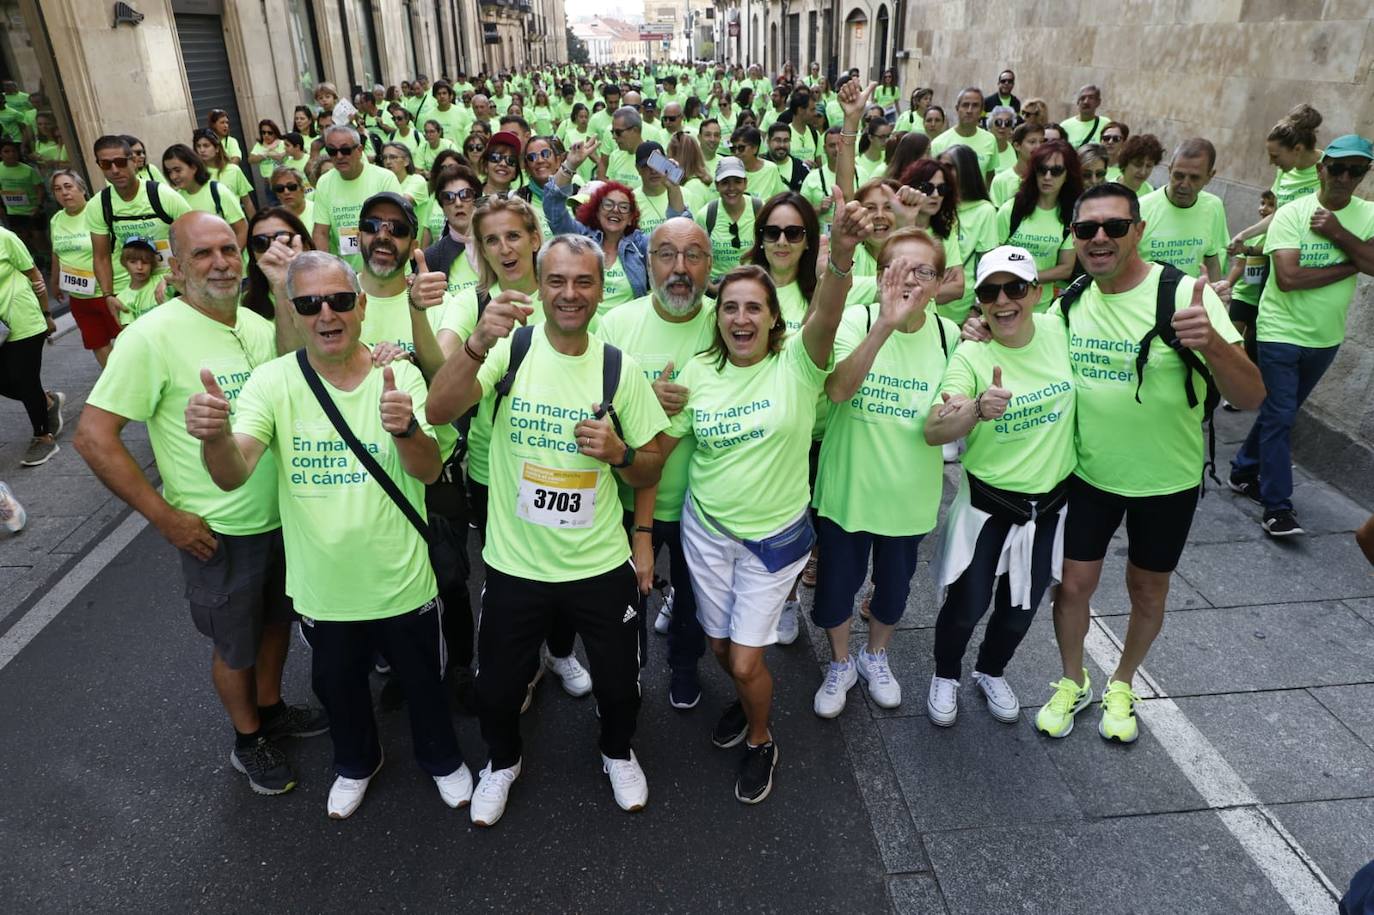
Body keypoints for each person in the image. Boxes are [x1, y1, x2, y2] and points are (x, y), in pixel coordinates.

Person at [188, 249, 471, 819]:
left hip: (403, 577)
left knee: (423, 682)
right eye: (310, 304)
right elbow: (232, 473)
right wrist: (214, 436)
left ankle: (441, 758)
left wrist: (407, 426)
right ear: (292, 311)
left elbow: (428, 470)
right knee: (338, 688)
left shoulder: (403, 373)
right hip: (324, 588)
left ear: (361, 305)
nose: (327, 314)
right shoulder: (272, 382)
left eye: (340, 300)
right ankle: (355, 762)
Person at [75, 211, 324, 796]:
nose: (220, 263)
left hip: (282, 518)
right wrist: (166, 518)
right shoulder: (151, 336)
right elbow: (93, 436)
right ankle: (247, 740)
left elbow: (296, 375)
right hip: (218, 530)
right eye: (203, 254)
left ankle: (273, 709)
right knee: (235, 643)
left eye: (228, 251)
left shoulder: (256, 325)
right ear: (176, 265)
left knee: (274, 626)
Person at [425, 234, 669, 825]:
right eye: (556, 280)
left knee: (620, 683)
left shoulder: (618, 367)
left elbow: (652, 461)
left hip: (597, 562)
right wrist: (478, 342)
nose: (569, 293)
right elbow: (436, 409)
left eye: (583, 281)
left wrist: (618, 453)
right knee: (498, 688)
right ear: (538, 284)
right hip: (516, 565)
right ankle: (502, 762)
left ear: (599, 289)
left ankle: (617, 751)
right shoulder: (510, 349)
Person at [1032, 184, 1263, 744]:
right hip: (1088, 475)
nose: (1100, 238)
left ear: (1138, 230)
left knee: (1146, 590)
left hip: (1167, 481)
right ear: (1075, 238)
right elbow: (1027, 352)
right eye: (1086, 229)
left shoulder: (1184, 293)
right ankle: (1072, 680)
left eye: (1114, 226)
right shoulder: (1072, 299)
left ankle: (1123, 682)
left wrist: (1213, 343)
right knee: (1072, 586)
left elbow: (1252, 394)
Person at [654, 189, 856, 801]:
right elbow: (656, 455)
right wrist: (618, 438)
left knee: (745, 660)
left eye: (754, 309)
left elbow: (828, 311)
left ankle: (762, 739)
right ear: (718, 317)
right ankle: (747, 702)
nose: (741, 319)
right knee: (720, 645)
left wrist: (842, 254)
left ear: (774, 318)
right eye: (730, 308)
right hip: (707, 533)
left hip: (774, 542)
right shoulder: (695, 374)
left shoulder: (799, 363)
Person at [811, 226, 958, 718]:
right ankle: (840, 661)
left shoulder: (949, 334)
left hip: (908, 496)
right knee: (836, 586)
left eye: (925, 271)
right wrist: (884, 326)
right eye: (901, 269)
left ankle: (876, 655)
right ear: (880, 276)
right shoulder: (857, 319)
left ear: (939, 285)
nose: (912, 280)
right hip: (848, 490)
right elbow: (837, 391)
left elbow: (950, 414)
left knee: (894, 589)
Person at [924, 246, 1073, 726]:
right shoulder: (971, 353)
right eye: (990, 291)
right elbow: (935, 429)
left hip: (1047, 507)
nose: (1002, 300)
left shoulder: (1059, 328)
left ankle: (990, 670)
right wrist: (974, 410)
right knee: (967, 605)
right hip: (988, 506)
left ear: (1035, 292)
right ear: (979, 301)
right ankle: (945, 674)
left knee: (1019, 610)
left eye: (1014, 288)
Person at [596, 218, 716, 709]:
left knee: (693, 602)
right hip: (625, 498)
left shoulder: (729, 322)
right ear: (648, 263)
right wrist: (642, 401)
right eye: (666, 254)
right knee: (626, 605)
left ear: (711, 265)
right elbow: (589, 411)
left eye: (693, 256)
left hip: (703, 505)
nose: (680, 268)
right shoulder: (616, 325)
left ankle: (685, 667)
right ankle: (631, 673)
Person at [1229, 135, 1374, 537]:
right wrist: (1352, 264)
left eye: (1356, 171)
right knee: (1281, 414)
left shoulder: (1369, 215)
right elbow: (1289, 278)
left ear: (1363, 175)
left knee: (1281, 411)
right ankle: (1277, 507)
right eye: (1339, 167)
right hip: (1279, 332)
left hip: (1325, 339)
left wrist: (1340, 235)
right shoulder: (1293, 213)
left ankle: (1243, 469)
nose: (1345, 177)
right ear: (1322, 168)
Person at [544, 139, 669, 315]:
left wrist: (673, 187)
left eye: (624, 207)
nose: (615, 211)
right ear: (596, 210)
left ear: (631, 217)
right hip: (583, 330)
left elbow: (673, 239)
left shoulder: (639, 245)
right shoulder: (582, 238)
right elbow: (553, 209)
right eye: (608, 204)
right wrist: (569, 165)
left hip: (625, 334)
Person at [86, 135, 191, 314]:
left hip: (172, 286)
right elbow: (101, 256)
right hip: (129, 293)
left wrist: (177, 279)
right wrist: (108, 295)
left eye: (120, 162)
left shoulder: (164, 196)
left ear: (134, 161)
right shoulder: (99, 205)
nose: (114, 170)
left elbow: (195, 242)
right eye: (106, 164)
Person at [0, 222, 61, 466]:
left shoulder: (5, 237)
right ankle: (46, 402)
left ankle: (43, 438)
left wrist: (47, 314)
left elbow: (35, 274)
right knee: (4, 381)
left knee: (25, 380)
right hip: (0, 328)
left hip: (23, 319)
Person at [997, 140, 1079, 308]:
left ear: (1067, 175)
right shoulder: (1011, 210)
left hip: (1042, 305)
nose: (1047, 177)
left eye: (1056, 171)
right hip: (1005, 301)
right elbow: (992, 257)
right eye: (1042, 169)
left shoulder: (1070, 217)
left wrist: (1026, 277)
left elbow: (1065, 268)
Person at [310, 125, 401, 271]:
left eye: (345, 150)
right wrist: (324, 270)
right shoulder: (324, 182)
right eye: (332, 151)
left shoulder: (384, 178)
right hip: (348, 277)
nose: (339, 156)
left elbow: (396, 227)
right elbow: (321, 233)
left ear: (359, 150)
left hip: (388, 272)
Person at [1137, 139, 1229, 279]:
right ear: (1169, 170)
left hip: (1190, 298)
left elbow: (1211, 260)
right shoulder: (1140, 208)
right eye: (1178, 176)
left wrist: (1214, 297)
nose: (1185, 184)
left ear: (1209, 177)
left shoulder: (1213, 207)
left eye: (1194, 178)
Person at [48, 169, 108, 363]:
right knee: (97, 342)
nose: (64, 193)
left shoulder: (97, 212)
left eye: (68, 186)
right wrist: (55, 281)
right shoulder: (56, 219)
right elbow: (57, 252)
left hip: (106, 292)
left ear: (81, 189)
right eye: (58, 189)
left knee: (127, 339)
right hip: (79, 296)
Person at [941, 144, 1002, 324]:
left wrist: (977, 307)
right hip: (929, 303)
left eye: (949, 167)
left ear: (965, 171)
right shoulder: (935, 204)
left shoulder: (984, 211)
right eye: (941, 166)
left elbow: (988, 265)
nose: (942, 172)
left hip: (963, 308)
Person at [1222, 189, 1276, 364]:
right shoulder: (1253, 235)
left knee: (1252, 349)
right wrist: (1227, 285)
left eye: (1271, 205)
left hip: (1262, 302)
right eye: (1262, 203)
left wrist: (1247, 250)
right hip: (1243, 296)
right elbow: (1239, 265)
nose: (1264, 208)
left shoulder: (1278, 236)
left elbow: (1269, 251)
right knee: (1230, 341)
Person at [163, 143, 248, 250]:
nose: (173, 176)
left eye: (178, 170)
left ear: (193, 167)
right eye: (169, 172)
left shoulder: (218, 191)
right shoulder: (175, 199)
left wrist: (232, 258)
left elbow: (242, 230)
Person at [241, 206, 314, 321]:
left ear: (305, 245)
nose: (273, 248)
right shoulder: (244, 306)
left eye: (284, 238)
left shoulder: (330, 291)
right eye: (260, 242)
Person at [695, 157, 759, 287]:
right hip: (717, 285)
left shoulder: (759, 209)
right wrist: (711, 288)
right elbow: (695, 257)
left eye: (737, 182)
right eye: (725, 183)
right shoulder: (706, 215)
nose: (732, 188)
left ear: (745, 183)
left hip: (754, 282)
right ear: (717, 185)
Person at [931, 88, 998, 182]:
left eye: (975, 106)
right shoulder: (938, 143)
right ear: (957, 108)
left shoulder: (990, 140)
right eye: (965, 105)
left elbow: (989, 177)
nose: (969, 110)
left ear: (981, 110)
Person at [0, 139, 46, 255]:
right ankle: (34, 260)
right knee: (22, 239)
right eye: (6, 151)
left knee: (39, 237)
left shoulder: (28, 170)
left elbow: (40, 188)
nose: (11, 154)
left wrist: (38, 206)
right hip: (13, 212)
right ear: (1, 154)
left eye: (13, 151)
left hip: (32, 210)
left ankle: (47, 261)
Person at [113, 236, 165, 325]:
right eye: (133, 262)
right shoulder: (122, 298)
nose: (139, 267)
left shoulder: (162, 279)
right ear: (124, 263)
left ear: (152, 264)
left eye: (145, 262)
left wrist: (167, 281)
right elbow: (129, 329)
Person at [800, 127, 842, 232]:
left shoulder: (861, 174)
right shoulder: (812, 178)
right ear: (824, 148)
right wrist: (819, 209)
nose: (837, 149)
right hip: (822, 243)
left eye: (840, 145)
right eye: (832, 146)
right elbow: (800, 213)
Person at [1111, 133, 1163, 198]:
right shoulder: (1107, 190)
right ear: (1125, 163)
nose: (1143, 172)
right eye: (1138, 165)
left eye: (1149, 166)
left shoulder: (1151, 194)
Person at [765, 122, 811, 193]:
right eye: (777, 140)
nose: (782, 145)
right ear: (768, 142)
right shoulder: (759, 166)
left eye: (786, 140)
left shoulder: (801, 168)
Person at [479, 131, 524, 198]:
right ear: (485, 166)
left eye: (510, 160)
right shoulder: (469, 198)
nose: (503, 164)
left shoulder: (523, 203)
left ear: (515, 173)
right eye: (496, 157)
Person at [248, 120, 287, 198]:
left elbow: (280, 157)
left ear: (275, 133)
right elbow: (251, 159)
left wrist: (266, 153)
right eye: (263, 132)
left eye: (270, 133)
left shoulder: (282, 143)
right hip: (269, 184)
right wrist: (267, 152)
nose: (266, 135)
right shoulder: (259, 145)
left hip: (284, 181)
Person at [269, 165, 314, 229]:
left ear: (302, 189)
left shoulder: (318, 210)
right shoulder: (273, 220)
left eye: (291, 187)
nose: (286, 192)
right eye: (280, 188)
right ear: (277, 194)